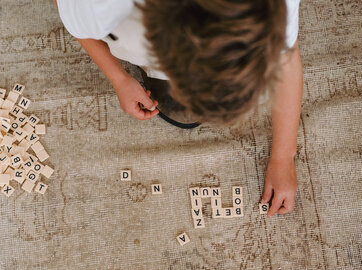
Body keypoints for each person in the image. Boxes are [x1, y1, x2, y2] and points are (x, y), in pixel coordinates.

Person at [54, 0, 303, 217]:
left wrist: (283, 157)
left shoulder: (274, 8)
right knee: (180, 110)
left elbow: (287, 59)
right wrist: (118, 77)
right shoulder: (100, 7)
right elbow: (66, 8)